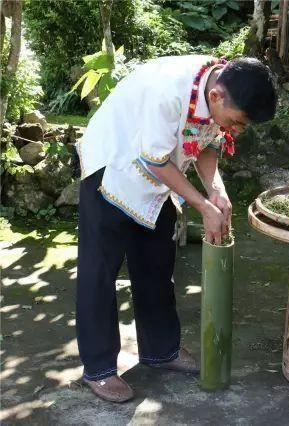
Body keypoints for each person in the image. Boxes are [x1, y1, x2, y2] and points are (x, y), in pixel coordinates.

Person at [75, 55, 277, 402]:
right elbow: (153, 159)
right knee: (99, 272)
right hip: (113, 166)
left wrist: (217, 189)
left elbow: (207, 141)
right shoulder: (166, 91)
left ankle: (160, 351)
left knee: (156, 262)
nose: (237, 130)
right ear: (216, 96)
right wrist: (201, 204)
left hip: (159, 177)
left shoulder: (216, 86)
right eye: (239, 122)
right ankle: (99, 369)